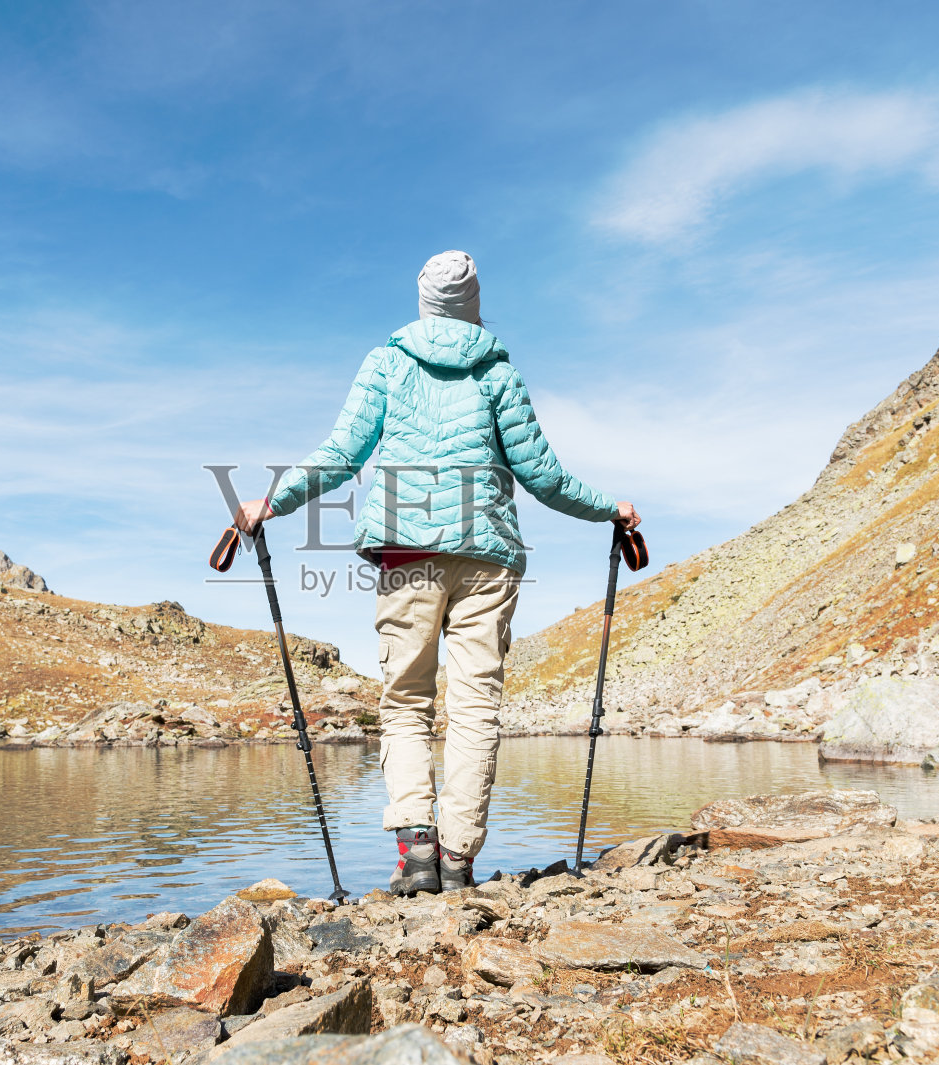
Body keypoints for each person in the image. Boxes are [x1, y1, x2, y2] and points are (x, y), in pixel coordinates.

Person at [234, 250, 638, 894]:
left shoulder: (387, 363)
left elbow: (341, 454)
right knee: (477, 705)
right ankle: (458, 860)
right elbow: (543, 476)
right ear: (475, 305)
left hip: (405, 551)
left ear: (423, 303)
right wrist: (608, 509)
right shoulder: (499, 372)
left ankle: (416, 853)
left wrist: (272, 502)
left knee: (405, 700)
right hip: (487, 556)